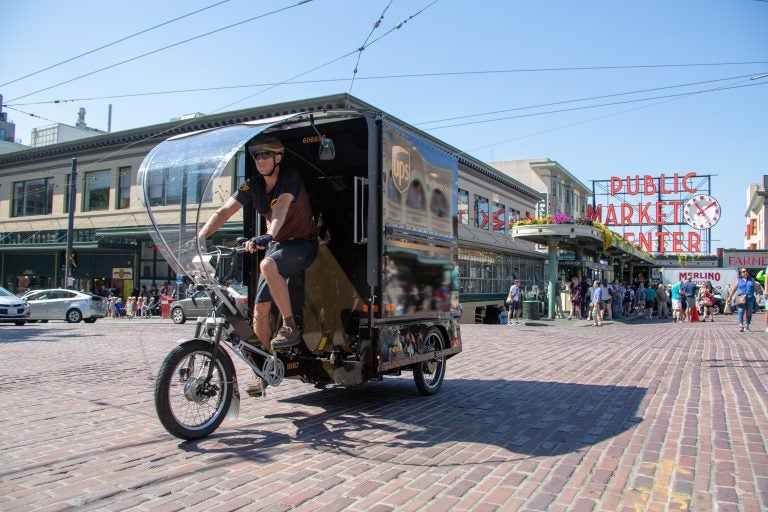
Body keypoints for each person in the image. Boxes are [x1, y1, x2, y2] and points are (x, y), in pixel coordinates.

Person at [197, 135, 318, 351]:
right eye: (256, 156)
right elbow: (224, 211)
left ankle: (290, 327)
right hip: (277, 245)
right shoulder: (252, 185)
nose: (260, 160)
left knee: (267, 264)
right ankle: (261, 367)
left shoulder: (289, 177)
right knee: (260, 308)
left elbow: (281, 206)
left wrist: (269, 235)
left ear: (278, 157)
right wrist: (199, 237)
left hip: (302, 243)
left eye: (266, 154)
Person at [728, 268, 757, 332]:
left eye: (746, 271)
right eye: (743, 271)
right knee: (741, 312)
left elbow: (756, 287)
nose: (745, 272)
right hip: (741, 298)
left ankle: (747, 325)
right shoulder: (739, 280)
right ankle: (741, 325)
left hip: (750, 298)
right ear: (741, 273)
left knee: (749, 313)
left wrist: (759, 295)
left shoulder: (751, 279)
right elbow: (734, 289)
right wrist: (730, 296)